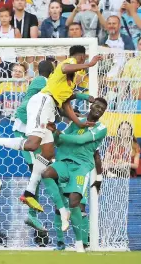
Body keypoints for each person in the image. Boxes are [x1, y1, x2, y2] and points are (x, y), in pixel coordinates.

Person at [0, 46, 102, 212]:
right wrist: (89, 64)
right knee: (32, 145)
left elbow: (65, 104)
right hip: (42, 103)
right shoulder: (68, 63)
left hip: (49, 109)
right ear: (81, 57)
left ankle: (29, 192)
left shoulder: (68, 83)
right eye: (83, 59)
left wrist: (79, 123)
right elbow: (65, 67)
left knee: (48, 153)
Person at [42, 97, 108, 252]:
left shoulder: (100, 128)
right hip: (64, 162)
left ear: (103, 113)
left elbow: (80, 141)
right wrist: (53, 131)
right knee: (47, 173)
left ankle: (80, 243)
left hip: (81, 167)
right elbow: (59, 142)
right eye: (97, 106)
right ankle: (61, 234)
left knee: (75, 202)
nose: (98, 110)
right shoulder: (76, 122)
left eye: (102, 109)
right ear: (91, 106)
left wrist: (58, 133)